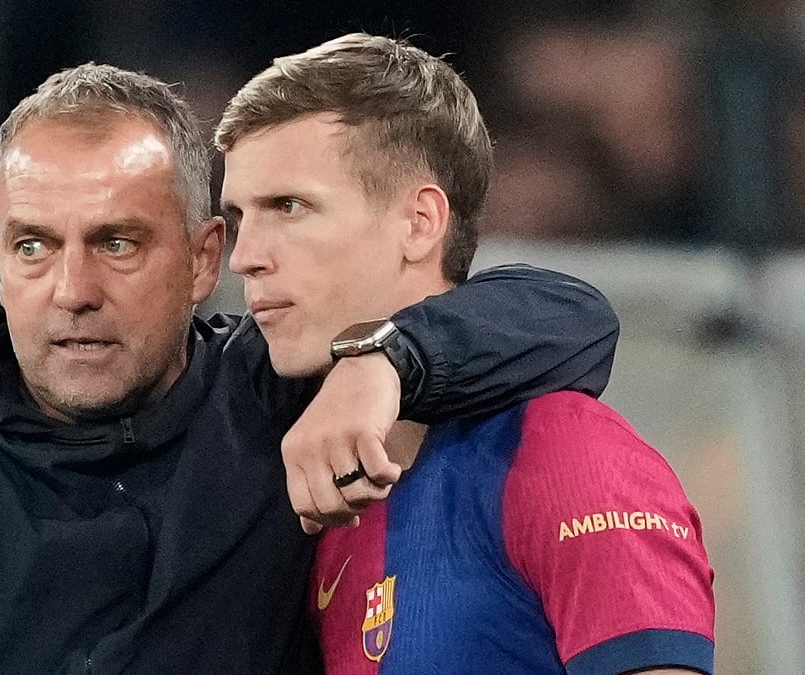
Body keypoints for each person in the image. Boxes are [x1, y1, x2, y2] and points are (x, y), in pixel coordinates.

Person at [0, 63, 619, 673]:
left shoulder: (275, 387)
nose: (73, 291)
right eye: (34, 246)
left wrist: (386, 362)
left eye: (117, 242)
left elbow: (571, 318)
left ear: (203, 259)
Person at [216, 33, 714, 674]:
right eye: (238, 217)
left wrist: (382, 357)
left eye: (289, 207)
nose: (245, 256)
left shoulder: (560, 452)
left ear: (419, 223)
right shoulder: (325, 496)